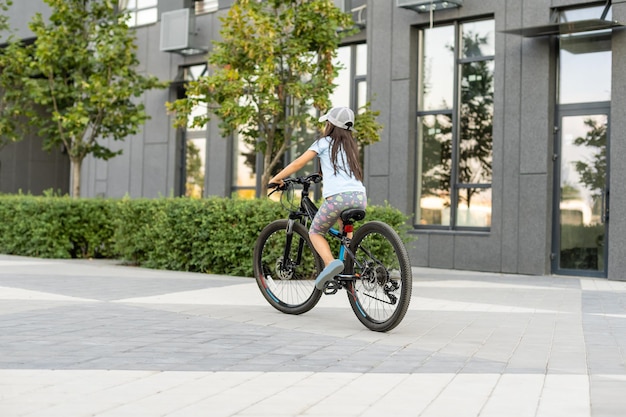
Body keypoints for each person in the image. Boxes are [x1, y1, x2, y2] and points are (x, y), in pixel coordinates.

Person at [269, 106, 367, 290]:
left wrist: (277, 179)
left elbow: (298, 162)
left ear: (330, 125)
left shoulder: (323, 143)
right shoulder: (352, 147)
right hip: (360, 196)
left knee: (315, 232)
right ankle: (347, 266)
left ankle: (331, 264)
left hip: (338, 198)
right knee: (344, 229)